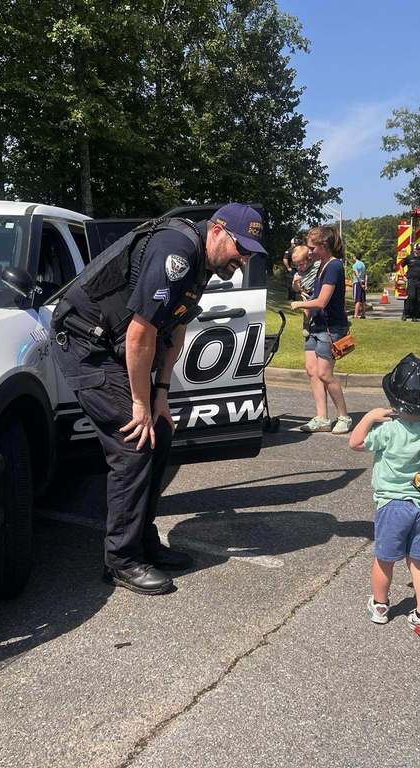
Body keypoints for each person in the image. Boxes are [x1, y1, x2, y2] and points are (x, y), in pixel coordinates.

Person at [52, 203, 266, 595]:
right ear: (217, 230)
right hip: (86, 343)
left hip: (119, 346)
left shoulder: (203, 261)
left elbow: (176, 327)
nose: (245, 258)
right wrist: (139, 404)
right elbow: (140, 333)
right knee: (133, 442)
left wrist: (161, 396)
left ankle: (144, 541)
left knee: (160, 433)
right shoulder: (176, 251)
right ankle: (121, 559)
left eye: (251, 251)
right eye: (242, 247)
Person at [349, 354, 420, 639]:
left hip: (391, 505)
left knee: (384, 559)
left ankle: (381, 607)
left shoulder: (388, 430)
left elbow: (356, 442)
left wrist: (370, 416)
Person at [291, 225, 351, 435]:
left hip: (330, 327)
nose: (308, 251)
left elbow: (323, 301)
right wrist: (301, 292)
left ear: (323, 246)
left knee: (325, 374)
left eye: (311, 247)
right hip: (315, 326)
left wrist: (299, 305)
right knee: (312, 371)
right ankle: (322, 418)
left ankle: (344, 416)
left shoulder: (334, 266)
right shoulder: (320, 265)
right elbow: (314, 294)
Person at [290, 244, 321, 339]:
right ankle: (306, 324)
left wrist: (310, 253)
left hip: (318, 292)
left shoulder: (316, 264)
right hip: (307, 294)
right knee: (307, 310)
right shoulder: (298, 273)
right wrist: (296, 283)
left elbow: (321, 258)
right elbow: (295, 289)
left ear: (309, 259)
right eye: (296, 265)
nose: (299, 267)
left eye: (301, 264)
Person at [400, 247, 420, 321]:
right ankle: (405, 313)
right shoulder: (409, 257)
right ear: (414, 250)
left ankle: (414, 317)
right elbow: (401, 266)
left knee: (418, 300)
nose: (418, 250)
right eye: (417, 249)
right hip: (411, 280)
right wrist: (403, 276)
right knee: (411, 297)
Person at [351, 255, 367, 319]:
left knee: (357, 299)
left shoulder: (355, 265)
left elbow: (357, 275)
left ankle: (356, 315)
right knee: (363, 300)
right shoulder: (363, 265)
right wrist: (365, 284)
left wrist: (360, 284)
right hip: (363, 282)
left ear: (355, 257)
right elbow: (366, 275)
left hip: (357, 283)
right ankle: (363, 314)